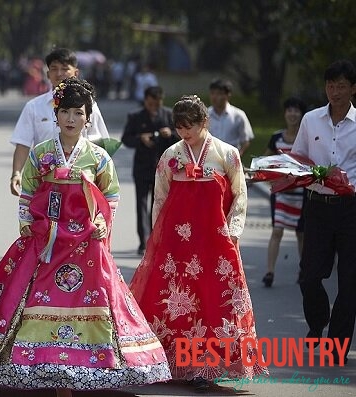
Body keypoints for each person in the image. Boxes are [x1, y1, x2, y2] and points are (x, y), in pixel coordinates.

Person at [0, 77, 171, 397]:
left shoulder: (98, 157)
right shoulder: (41, 153)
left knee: (97, 301)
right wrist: (25, 224)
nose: (72, 119)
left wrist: (104, 223)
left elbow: (112, 195)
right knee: (32, 296)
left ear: (88, 118)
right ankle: (38, 361)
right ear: (56, 115)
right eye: (65, 112)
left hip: (86, 241)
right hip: (47, 238)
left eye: (78, 113)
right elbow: (29, 192)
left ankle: (89, 362)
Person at [129, 95, 267, 391]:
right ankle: (171, 361)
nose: (184, 133)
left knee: (214, 300)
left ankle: (206, 366)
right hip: (178, 243)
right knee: (178, 302)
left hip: (215, 240)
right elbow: (161, 197)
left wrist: (234, 230)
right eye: (179, 127)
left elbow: (240, 194)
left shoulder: (227, 154)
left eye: (189, 126)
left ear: (205, 122)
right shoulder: (170, 156)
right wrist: (158, 235)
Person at [291, 59, 356, 366]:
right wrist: (309, 173)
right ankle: (318, 322)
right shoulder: (311, 120)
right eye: (330, 86)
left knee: (350, 281)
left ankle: (338, 347)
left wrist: (348, 183)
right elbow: (298, 159)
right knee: (309, 277)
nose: (335, 92)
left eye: (341, 86)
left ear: (353, 88)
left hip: (352, 209)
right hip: (317, 205)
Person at [9, 48, 109, 196]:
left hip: (81, 184)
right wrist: (16, 173)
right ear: (48, 73)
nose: (59, 73)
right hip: (44, 181)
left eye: (65, 68)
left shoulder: (89, 105)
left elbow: (99, 142)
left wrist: (101, 178)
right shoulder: (34, 107)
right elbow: (23, 143)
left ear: (76, 72)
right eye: (54, 69)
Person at [121, 86, 178, 255]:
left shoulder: (168, 115)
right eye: (151, 103)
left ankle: (157, 238)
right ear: (145, 101)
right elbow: (126, 138)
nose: (154, 107)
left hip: (162, 168)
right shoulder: (135, 117)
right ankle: (143, 240)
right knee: (141, 204)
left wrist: (171, 134)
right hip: (142, 167)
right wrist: (141, 138)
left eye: (157, 103)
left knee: (158, 205)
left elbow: (181, 135)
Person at [262, 97, 308, 287]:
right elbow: (264, 161)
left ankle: (304, 270)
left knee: (301, 233)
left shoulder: (307, 139)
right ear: (284, 113)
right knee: (277, 230)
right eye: (289, 110)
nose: (292, 114)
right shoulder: (276, 138)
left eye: (296, 110)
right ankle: (270, 272)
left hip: (301, 193)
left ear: (301, 115)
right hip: (280, 193)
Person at [207, 78, 254, 156]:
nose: (214, 97)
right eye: (212, 93)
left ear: (227, 95)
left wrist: (238, 155)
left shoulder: (238, 115)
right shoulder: (204, 115)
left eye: (219, 93)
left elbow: (246, 140)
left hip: (231, 157)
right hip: (210, 159)